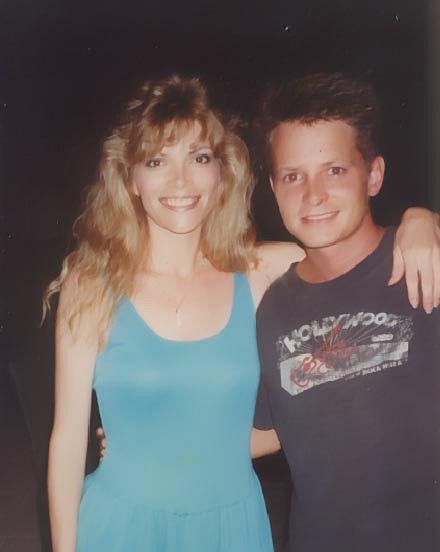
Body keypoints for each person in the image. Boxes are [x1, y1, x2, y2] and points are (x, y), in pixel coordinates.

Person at [46, 74, 438, 552]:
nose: (181, 181)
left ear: (222, 170)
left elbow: (351, 249)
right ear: (130, 178)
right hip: (121, 526)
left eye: (199, 157)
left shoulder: (261, 272)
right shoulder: (90, 286)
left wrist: (422, 219)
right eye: (156, 160)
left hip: (231, 528)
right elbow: (67, 440)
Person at [253, 73, 440, 552]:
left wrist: (428, 217)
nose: (312, 195)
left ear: (373, 175)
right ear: (273, 187)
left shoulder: (424, 262)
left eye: (334, 170)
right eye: (293, 176)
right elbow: (266, 434)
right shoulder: (271, 308)